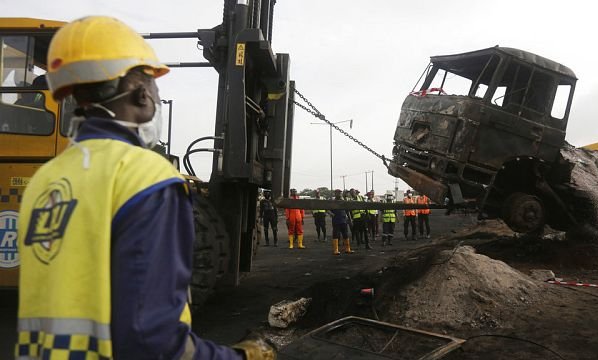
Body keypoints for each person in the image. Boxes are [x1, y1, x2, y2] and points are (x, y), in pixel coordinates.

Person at [15, 16, 271, 360]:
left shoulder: (44, 181)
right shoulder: (144, 176)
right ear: (140, 93)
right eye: (154, 85)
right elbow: (151, 342)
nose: (156, 96)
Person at [328, 189, 353, 255]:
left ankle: (348, 249)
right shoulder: (332, 202)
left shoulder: (343, 201)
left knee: (345, 234)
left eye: (340, 193)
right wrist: (330, 213)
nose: (339, 194)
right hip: (336, 220)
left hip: (343, 220)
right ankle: (336, 250)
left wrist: (350, 219)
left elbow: (347, 211)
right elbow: (327, 209)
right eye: (338, 193)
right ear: (335, 194)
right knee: (336, 235)